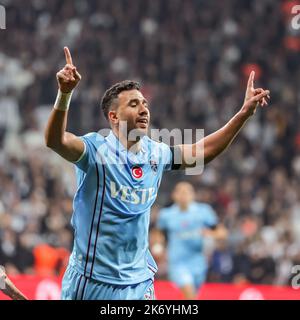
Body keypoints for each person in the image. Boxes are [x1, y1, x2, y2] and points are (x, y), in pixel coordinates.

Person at [44, 47, 270, 300]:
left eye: (144, 103)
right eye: (133, 104)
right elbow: (56, 141)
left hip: (139, 280)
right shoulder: (96, 150)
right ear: (113, 116)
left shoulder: (157, 153)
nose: (143, 109)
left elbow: (203, 151)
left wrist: (242, 115)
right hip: (93, 281)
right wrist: (64, 94)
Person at [156, 182, 227, 299]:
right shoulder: (166, 215)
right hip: (177, 263)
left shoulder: (203, 211)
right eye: (180, 191)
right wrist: (158, 246)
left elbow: (222, 232)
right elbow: (158, 233)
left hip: (198, 263)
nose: (184, 195)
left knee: (191, 296)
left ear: (193, 195)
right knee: (189, 293)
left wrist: (210, 233)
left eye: (187, 191)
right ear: (174, 195)